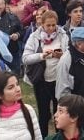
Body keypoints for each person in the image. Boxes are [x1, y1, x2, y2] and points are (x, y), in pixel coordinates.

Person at [22, 10, 70, 138]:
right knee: (43, 113)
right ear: (42, 24)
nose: (51, 28)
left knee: (59, 111)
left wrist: (62, 55)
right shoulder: (34, 37)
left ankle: (59, 137)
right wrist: (41, 56)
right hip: (41, 80)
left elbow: (69, 54)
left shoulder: (63, 35)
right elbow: (25, 58)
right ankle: (42, 136)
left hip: (58, 79)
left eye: (53, 25)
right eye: (48, 25)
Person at [0, 71, 41, 140]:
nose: (18, 89)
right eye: (11, 87)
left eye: (17, 84)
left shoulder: (28, 110)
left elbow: (38, 137)